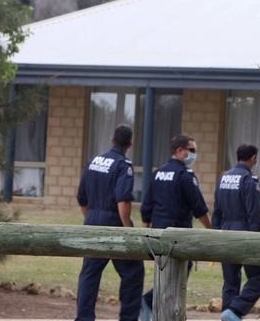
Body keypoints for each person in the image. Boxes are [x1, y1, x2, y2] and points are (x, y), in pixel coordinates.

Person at [74, 124, 144, 321]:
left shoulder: (94, 161)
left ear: (112, 140)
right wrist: (127, 227)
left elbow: (82, 198)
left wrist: (91, 218)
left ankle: (83, 318)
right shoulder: (124, 165)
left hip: (92, 220)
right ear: (129, 144)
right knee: (132, 272)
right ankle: (128, 318)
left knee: (90, 272)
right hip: (114, 223)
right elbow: (123, 200)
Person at [139, 134, 211, 321]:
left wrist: (147, 229)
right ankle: (152, 304)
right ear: (179, 151)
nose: (194, 154)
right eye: (191, 150)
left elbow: (146, 206)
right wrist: (211, 230)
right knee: (176, 277)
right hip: (178, 235)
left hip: (158, 234)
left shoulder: (158, 173)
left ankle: (157, 310)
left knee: (164, 275)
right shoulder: (184, 175)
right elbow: (199, 207)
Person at [212, 144, 260, 321]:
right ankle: (236, 311)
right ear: (253, 158)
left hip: (225, 232)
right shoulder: (249, 179)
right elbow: (253, 213)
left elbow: (217, 211)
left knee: (230, 280)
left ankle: (228, 313)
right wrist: (259, 239)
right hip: (244, 234)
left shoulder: (223, 178)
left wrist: (214, 235)